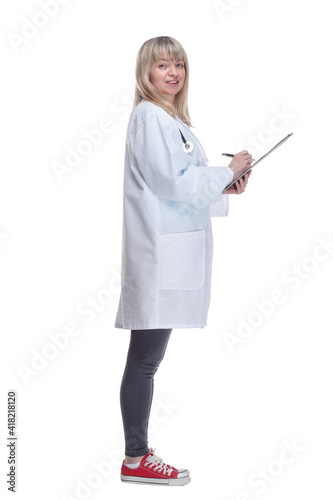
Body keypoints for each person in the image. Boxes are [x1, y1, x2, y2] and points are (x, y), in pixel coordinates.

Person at [115, 36, 252, 486]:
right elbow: (173, 183)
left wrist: (222, 187)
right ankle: (136, 457)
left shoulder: (168, 119)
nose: (172, 72)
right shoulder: (150, 117)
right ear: (146, 73)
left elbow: (178, 186)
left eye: (179, 65)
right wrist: (228, 172)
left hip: (168, 255)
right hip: (158, 259)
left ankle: (137, 455)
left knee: (146, 359)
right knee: (145, 361)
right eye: (162, 66)